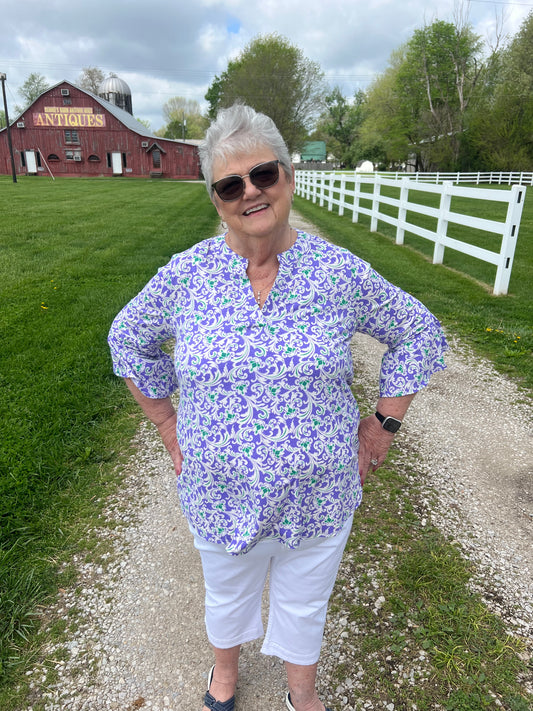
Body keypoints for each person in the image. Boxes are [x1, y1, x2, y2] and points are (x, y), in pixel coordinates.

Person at [108, 103, 447, 711]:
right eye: (231, 184)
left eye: (264, 175)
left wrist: (383, 425)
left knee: (304, 597)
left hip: (319, 486)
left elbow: (417, 329)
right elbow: (128, 337)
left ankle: (301, 692)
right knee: (227, 592)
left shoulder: (337, 272)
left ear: (287, 178)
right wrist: (165, 422)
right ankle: (225, 675)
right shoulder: (187, 276)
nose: (250, 193)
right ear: (216, 198)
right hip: (219, 486)